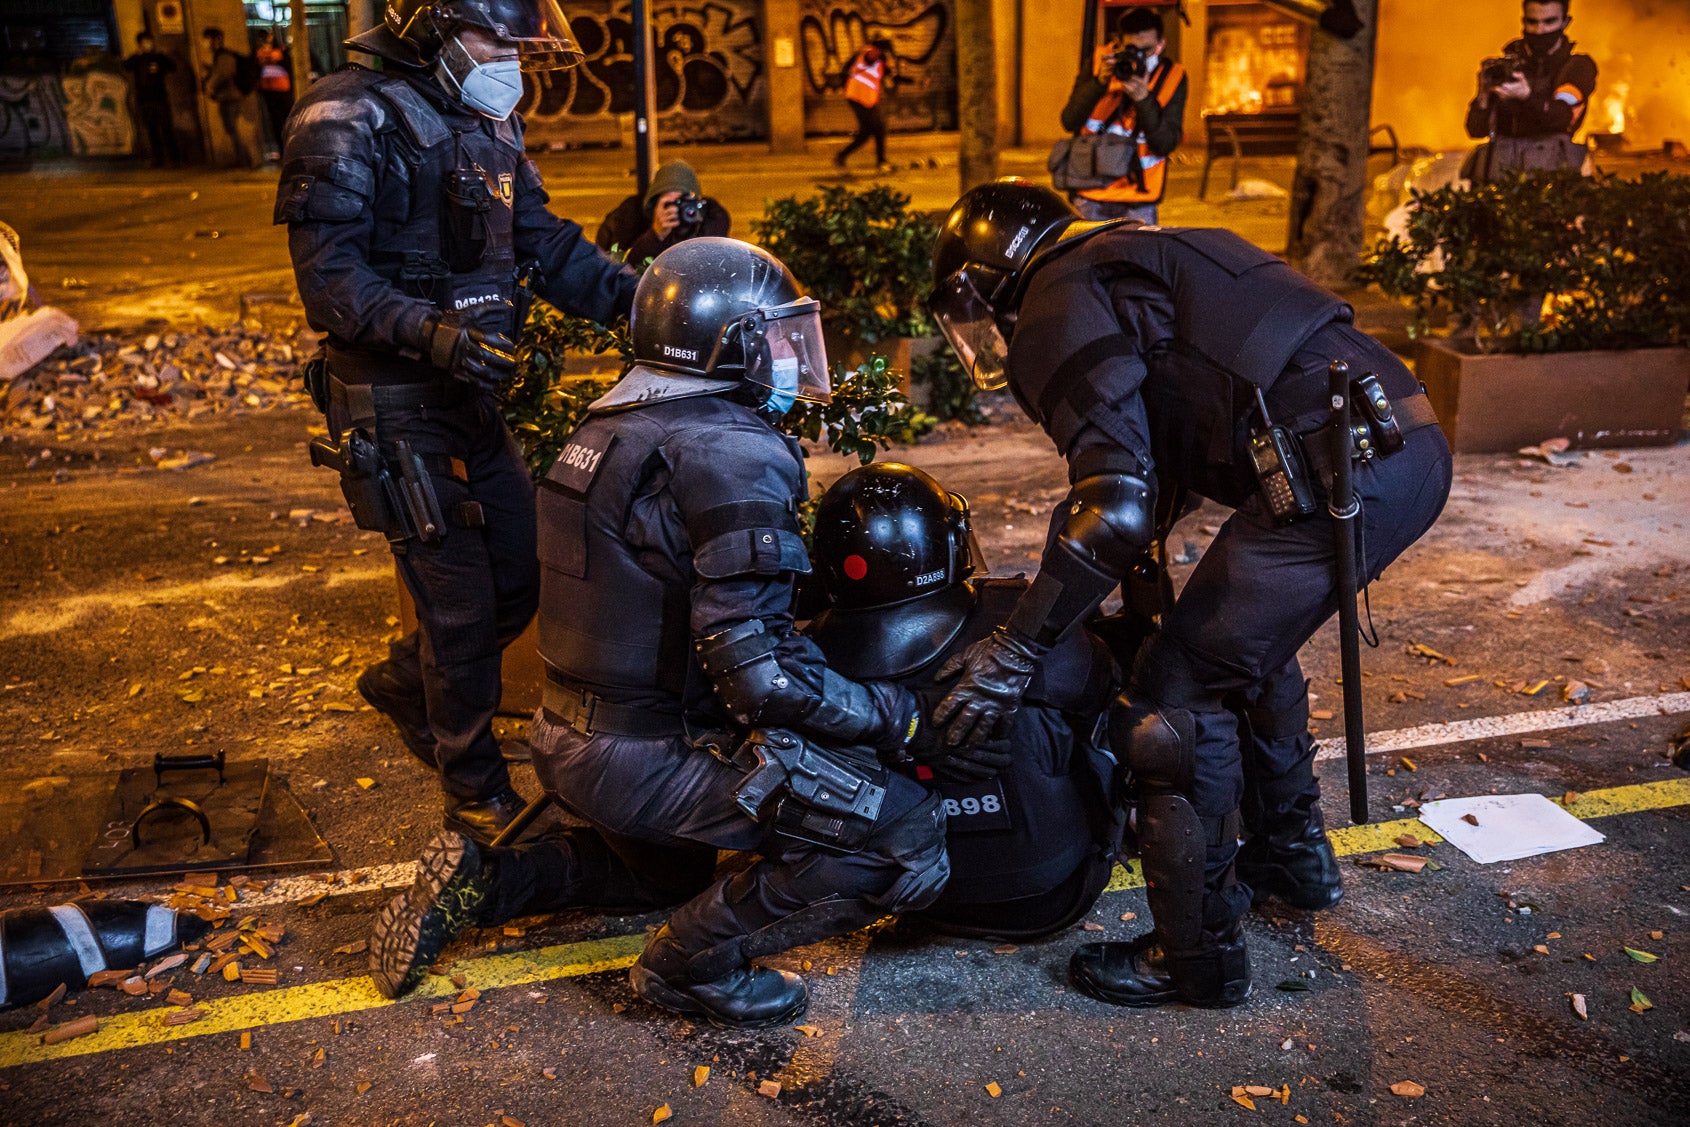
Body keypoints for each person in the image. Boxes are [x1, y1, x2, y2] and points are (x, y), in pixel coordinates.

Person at [368, 238, 949, 1027]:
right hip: (648, 756)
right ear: (728, 340)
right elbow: (759, 674)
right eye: (775, 335)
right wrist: (898, 717)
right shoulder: (730, 446)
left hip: (568, 741)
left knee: (660, 875)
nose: (788, 354)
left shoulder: (608, 421)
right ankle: (690, 965)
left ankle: (493, 878)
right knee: (901, 837)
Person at [926, 180, 1452, 1009]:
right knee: (1236, 649)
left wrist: (1016, 652)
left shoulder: (1057, 298)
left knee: (1171, 703)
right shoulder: (1135, 254)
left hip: (1334, 466)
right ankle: (1292, 858)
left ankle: (1195, 957)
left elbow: (1118, 500)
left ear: (990, 281)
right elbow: (1168, 458)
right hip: (1398, 446)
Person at [274, 0, 639, 844]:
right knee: (460, 604)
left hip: (471, 392)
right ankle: (473, 787)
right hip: (395, 402)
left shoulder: (486, 120)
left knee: (523, 571)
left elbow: (546, 247)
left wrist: (647, 303)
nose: (509, 58)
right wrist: (429, 333)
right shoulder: (343, 115)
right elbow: (330, 281)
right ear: (431, 29)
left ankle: (408, 685)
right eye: (496, 39)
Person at [806, 462, 1121, 940]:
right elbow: (1106, 688)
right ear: (950, 543)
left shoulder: (804, 661)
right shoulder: (1019, 619)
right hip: (1051, 892)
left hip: (916, 900)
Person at [1058, 7, 1187, 224]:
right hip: (1090, 194)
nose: (1137, 58)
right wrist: (1099, 84)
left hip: (1138, 198)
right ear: (1118, 43)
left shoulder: (1172, 77)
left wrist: (1143, 98)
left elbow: (1165, 144)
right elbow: (1069, 120)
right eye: (1130, 50)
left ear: (1160, 45)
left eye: (1146, 51)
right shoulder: (1101, 64)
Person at [1464, 0, 1597, 181]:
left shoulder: (1576, 68)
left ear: (1565, 22)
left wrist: (1527, 97)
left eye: (1549, 21)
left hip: (1548, 183)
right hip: (1499, 180)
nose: (1539, 30)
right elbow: (1476, 130)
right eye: (1532, 22)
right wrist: (1484, 97)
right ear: (1523, 21)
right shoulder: (1509, 68)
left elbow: (1563, 117)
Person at [593, 159, 730, 266]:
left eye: (683, 201)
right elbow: (625, 268)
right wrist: (656, 234)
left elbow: (712, 264)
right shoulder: (630, 217)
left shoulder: (711, 215)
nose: (675, 210)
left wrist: (693, 227)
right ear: (654, 203)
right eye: (669, 204)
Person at [833, 36, 907, 175]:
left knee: (866, 134)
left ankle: (841, 157)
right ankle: (881, 162)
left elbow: (891, 76)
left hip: (868, 100)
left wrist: (911, 80)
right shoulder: (866, 54)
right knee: (879, 127)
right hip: (856, 97)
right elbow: (863, 62)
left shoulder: (881, 60)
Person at [201, 28, 255, 169]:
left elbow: (223, 73)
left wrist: (210, 85)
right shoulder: (219, 56)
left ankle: (244, 160)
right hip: (227, 97)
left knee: (233, 129)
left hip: (231, 97)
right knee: (231, 129)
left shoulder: (224, 56)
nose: (204, 43)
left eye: (207, 39)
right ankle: (242, 160)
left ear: (216, 40)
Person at [124, 32, 180, 167]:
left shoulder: (159, 57)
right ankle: (158, 159)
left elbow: (172, 67)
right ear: (140, 44)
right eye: (145, 42)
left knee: (166, 129)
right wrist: (136, 55)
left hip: (160, 98)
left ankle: (174, 159)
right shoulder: (138, 59)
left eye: (150, 41)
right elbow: (126, 66)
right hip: (145, 99)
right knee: (151, 130)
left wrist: (162, 56)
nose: (148, 44)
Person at [254, 29, 294, 160]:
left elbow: (289, 66)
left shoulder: (281, 51)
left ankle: (291, 148)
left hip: (283, 91)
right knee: (275, 123)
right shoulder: (258, 53)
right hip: (269, 92)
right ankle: (282, 151)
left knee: (287, 121)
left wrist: (275, 60)